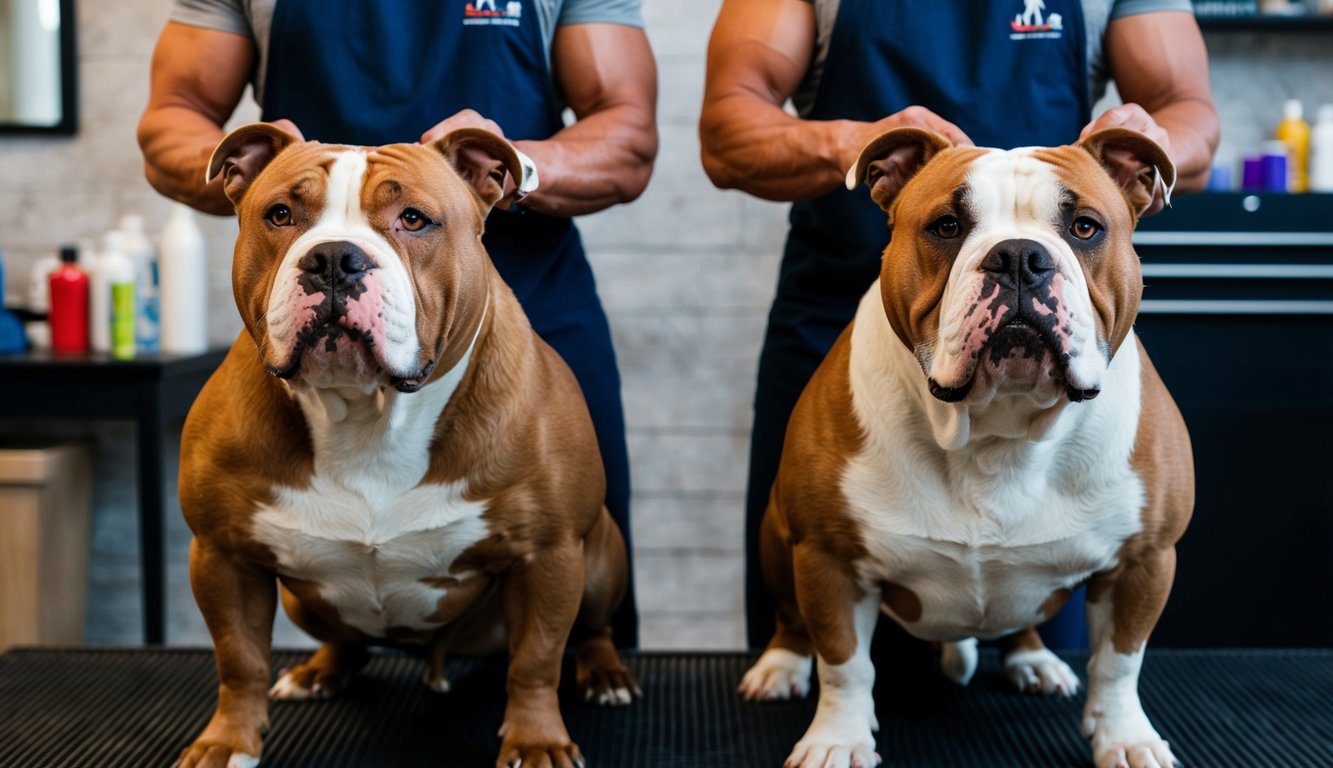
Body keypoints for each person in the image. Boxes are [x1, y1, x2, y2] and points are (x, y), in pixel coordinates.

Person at [699, 0, 1219, 651]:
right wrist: (859, 146)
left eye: (1083, 222)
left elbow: (1187, 109)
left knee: (1025, 686)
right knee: (812, 571)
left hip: (1065, 323)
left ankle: (1022, 643)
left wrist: (1146, 145)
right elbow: (726, 129)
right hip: (855, 315)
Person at [138, 0, 658, 646]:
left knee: (576, 578)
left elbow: (628, 137)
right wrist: (279, 181)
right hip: (297, 319)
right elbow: (169, 121)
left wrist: (491, 172)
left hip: (530, 311)